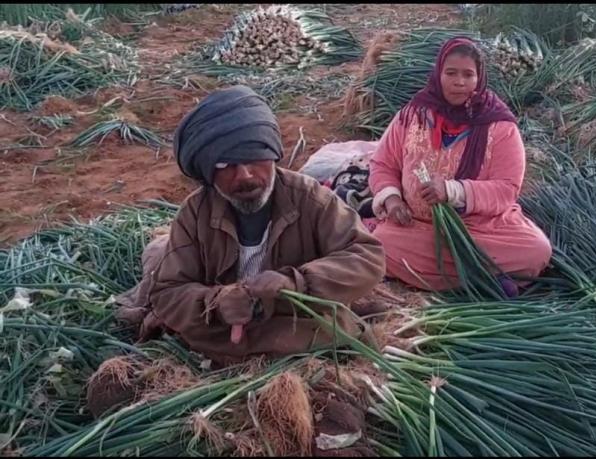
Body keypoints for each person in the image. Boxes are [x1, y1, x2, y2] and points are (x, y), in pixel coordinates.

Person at [123, 85, 385, 365]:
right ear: (208, 171)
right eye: (226, 164)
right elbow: (168, 292)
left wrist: (296, 282)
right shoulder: (195, 212)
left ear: (272, 152)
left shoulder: (310, 198)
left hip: (296, 323)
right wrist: (216, 303)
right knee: (159, 264)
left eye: (253, 157)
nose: (245, 175)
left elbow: (367, 257)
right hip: (221, 333)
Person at [368, 37, 552, 293]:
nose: (459, 82)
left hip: (481, 229)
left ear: (480, 78)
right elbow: (382, 164)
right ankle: (484, 279)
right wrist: (392, 201)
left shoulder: (500, 126)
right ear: (438, 74)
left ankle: (438, 277)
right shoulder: (413, 114)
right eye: (450, 73)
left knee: (536, 250)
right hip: (419, 227)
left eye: (468, 74)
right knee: (379, 243)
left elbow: (507, 189)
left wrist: (453, 191)